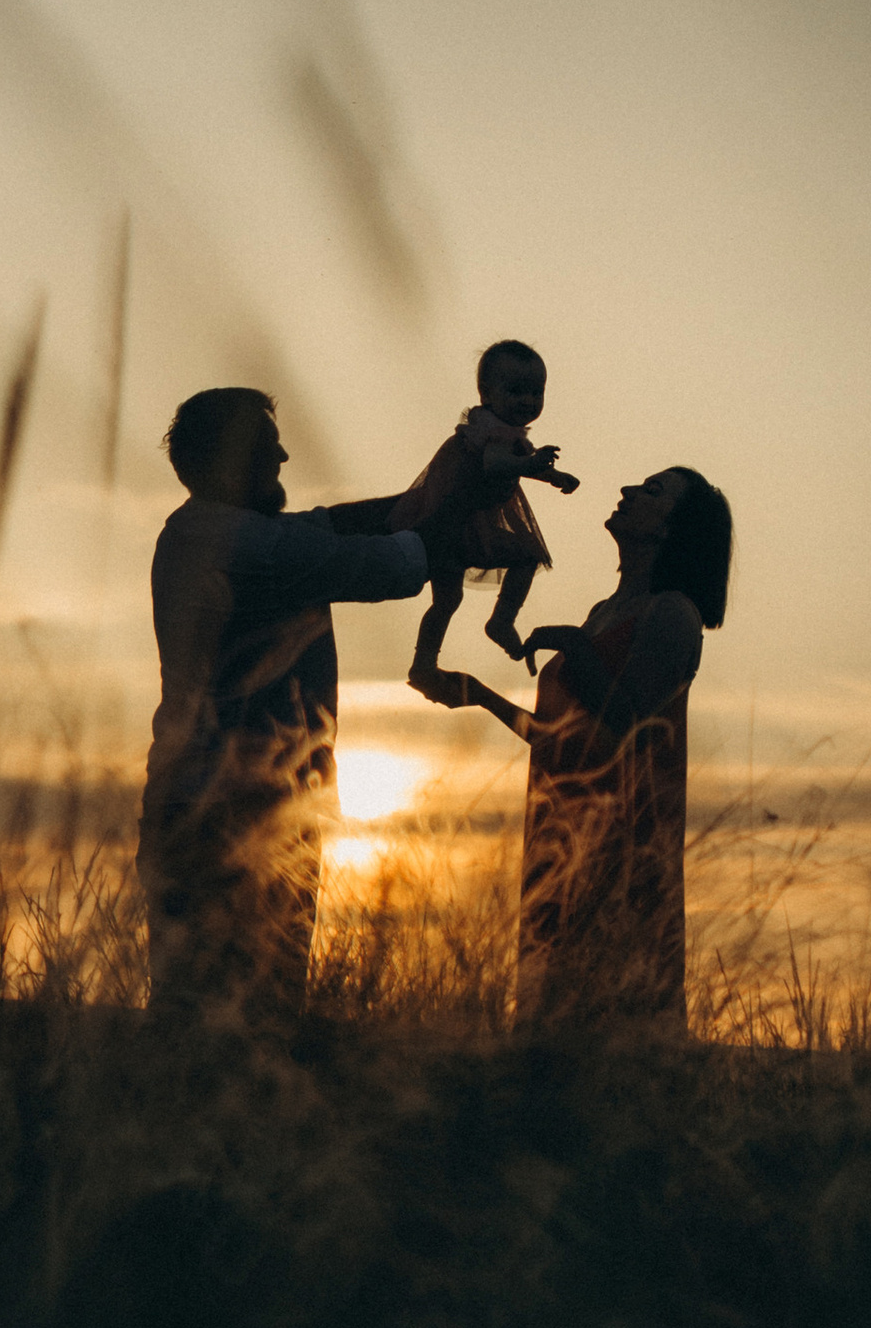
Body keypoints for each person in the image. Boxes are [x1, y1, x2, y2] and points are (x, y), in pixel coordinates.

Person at [140, 384, 442, 1023]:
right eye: (269, 451)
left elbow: (328, 524)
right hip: (236, 808)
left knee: (204, 1003)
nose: (283, 460)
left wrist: (430, 496)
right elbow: (383, 565)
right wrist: (443, 526)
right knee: (249, 1008)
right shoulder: (241, 546)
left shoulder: (210, 531)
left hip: (217, 800)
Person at [430, 464, 731, 1030]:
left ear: (673, 528)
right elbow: (557, 742)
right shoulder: (602, 615)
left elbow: (626, 723)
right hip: (558, 838)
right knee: (551, 1021)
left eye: (652, 491)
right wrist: (480, 696)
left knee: (615, 1022)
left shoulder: (673, 615)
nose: (627, 490)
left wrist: (571, 644)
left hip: (621, 848)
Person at [400, 336, 579, 696]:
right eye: (516, 391)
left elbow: (514, 462)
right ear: (486, 392)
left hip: (465, 524)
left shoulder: (506, 431)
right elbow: (493, 463)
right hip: (457, 523)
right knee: (519, 560)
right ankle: (493, 625)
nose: (527, 401)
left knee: (451, 598)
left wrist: (552, 476)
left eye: (536, 392)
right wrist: (529, 463)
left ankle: (431, 659)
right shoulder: (488, 430)